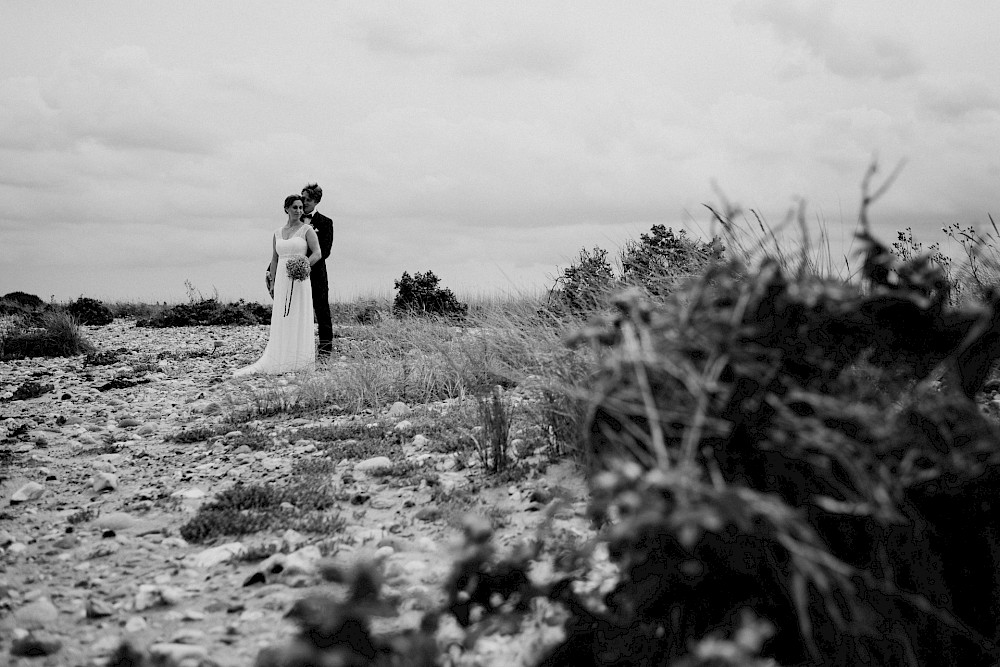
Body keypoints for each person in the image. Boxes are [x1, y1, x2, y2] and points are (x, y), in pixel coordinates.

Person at [235, 195, 322, 376]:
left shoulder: (307, 230)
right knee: (283, 316)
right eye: (295, 207)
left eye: (300, 208)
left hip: (299, 279)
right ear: (286, 209)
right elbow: (274, 260)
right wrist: (273, 282)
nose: (298, 211)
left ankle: (300, 361)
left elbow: (317, 253)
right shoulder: (277, 233)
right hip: (282, 278)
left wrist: (304, 264)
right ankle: (280, 357)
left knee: (298, 315)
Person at [301, 183, 334, 357]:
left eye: (307, 199)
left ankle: (325, 352)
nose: (303, 202)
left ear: (316, 201)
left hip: (317, 274)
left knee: (322, 313)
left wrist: (304, 263)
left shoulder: (326, 223)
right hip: (296, 276)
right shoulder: (294, 221)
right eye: (302, 198)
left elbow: (325, 251)